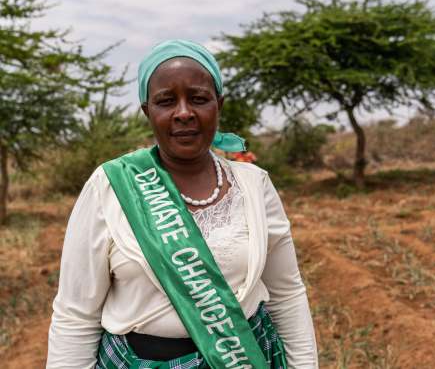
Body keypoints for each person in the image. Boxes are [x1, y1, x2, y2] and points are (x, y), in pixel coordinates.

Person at [46, 39, 318, 368]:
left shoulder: (253, 184)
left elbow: (287, 295)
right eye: (166, 101)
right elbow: (75, 316)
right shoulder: (111, 186)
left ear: (218, 104)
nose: (184, 113)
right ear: (148, 111)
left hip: (245, 356)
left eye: (199, 99)